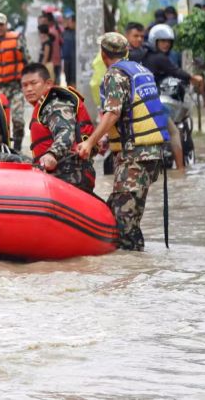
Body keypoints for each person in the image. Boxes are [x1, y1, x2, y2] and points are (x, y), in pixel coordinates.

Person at [78, 33, 169, 251]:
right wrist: (109, 140)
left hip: (135, 156)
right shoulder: (141, 71)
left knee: (123, 221)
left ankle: (130, 272)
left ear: (103, 53)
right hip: (152, 153)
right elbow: (132, 113)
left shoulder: (115, 75)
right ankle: (137, 267)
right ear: (126, 51)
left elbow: (112, 114)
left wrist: (90, 142)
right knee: (129, 215)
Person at [20, 63, 95, 193]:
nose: (29, 89)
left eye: (33, 83)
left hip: (70, 176)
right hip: (62, 175)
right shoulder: (45, 105)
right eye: (25, 85)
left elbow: (65, 132)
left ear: (48, 84)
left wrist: (52, 153)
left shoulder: (55, 105)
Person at [0, 13, 28, 153]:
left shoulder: (18, 38)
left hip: (15, 86)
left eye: (2, 25)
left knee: (18, 119)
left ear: (6, 25)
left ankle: (18, 148)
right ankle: (1, 148)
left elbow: (27, 60)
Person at [140, 24, 204, 88]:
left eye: (169, 41)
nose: (167, 44)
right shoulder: (158, 57)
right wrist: (192, 77)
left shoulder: (147, 52)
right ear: (154, 41)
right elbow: (175, 71)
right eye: (163, 41)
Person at [62, 14, 77, 87]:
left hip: (73, 60)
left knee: (73, 79)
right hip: (66, 60)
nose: (68, 23)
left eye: (70, 21)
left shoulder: (77, 33)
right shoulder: (66, 32)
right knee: (68, 80)